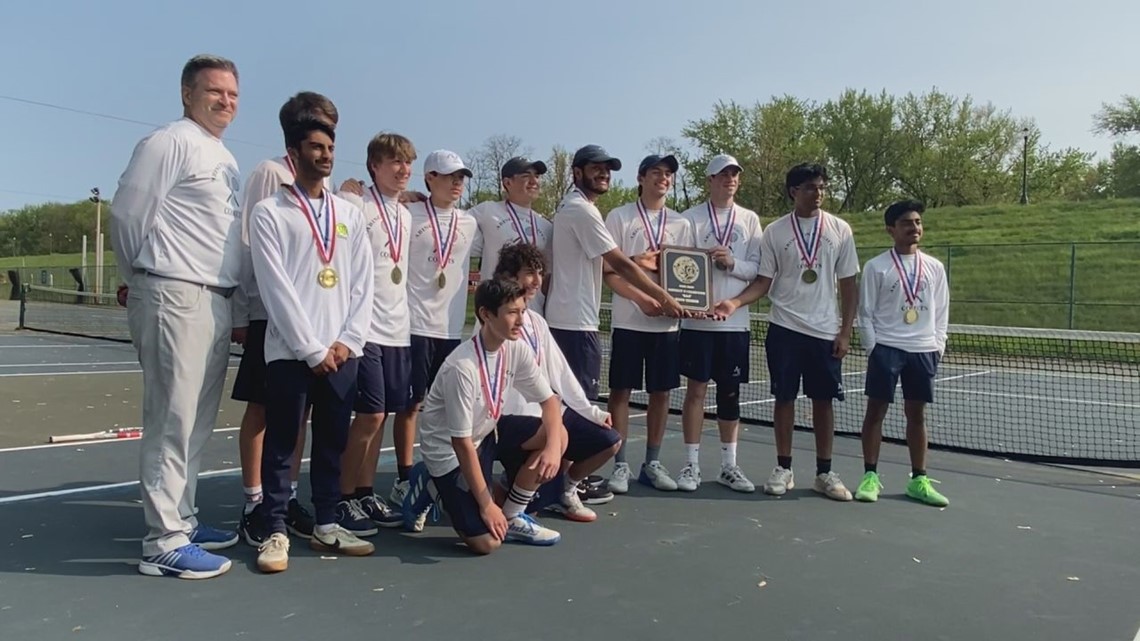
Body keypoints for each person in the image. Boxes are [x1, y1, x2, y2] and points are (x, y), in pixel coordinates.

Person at [111, 54, 243, 579]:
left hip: (212, 299)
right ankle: (162, 541)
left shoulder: (222, 154)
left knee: (195, 423)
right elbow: (127, 214)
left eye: (233, 94)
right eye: (215, 91)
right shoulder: (169, 141)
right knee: (173, 421)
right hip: (173, 293)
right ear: (188, 94)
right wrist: (140, 275)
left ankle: (181, 521)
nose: (225, 101)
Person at [247, 117, 376, 573]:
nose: (325, 154)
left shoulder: (349, 213)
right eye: (315, 146)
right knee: (284, 444)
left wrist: (346, 341)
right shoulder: (269, 212)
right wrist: (311, 349)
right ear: (293, 151)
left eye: (330, 147)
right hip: (290, 352)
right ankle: (275, 530)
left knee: (332, 444)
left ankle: (326, 523)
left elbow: (364, 282)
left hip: (343, 352)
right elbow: (275, 286)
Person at [713, 163, 859, 501]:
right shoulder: (775, 232)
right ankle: (784, 468)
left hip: (824, 332)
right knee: (784, 399)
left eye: (822, 186)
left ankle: (824, 472)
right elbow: (763, 282)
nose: (818, 193)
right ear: (794, 191)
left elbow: (849, 285)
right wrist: (734, 303)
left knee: (823, 403)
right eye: (810, 187)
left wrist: (845, 332)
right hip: (785, 330)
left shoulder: (840, 229)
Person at [233, 92, 340, 545]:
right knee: (265, 410)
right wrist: (244, 308)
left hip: (315, 322)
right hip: (269, 314)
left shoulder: (327, 191)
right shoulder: (268, 173)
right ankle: (255, 500)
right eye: (319, 127)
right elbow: (247, 245)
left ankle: (286, 496)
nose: (327, 140)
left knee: (299, 415)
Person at [402, 279, 567, 554]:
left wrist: (553, 449)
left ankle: (513, 515)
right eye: (512, 312)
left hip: (487, 432)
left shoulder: (515, 349)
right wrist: (487, 505)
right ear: (486, 315)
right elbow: (461, 444)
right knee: (486, 544)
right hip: (450, 452)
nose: (521, 321)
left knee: (558, 433)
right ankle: (432, 483)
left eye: (522, 311)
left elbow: (550, 401)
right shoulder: (461, 367)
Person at [546, 144, 685, 405]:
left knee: (569, 405)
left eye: (607, 169)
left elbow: (598, 261)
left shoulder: (574, 205)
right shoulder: (583, 210)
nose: (604, 173)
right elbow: (619, 265)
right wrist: (664, 298)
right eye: (596, 168)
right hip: (575, 322)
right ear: (577, 172)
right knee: (579, 407)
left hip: (571, 319)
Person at [492, 242, 621, 520]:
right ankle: (515, 507)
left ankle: (566, 490)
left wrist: (591, 411)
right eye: (529, 273)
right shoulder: (495, 322)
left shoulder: (537, 322)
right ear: (509, 276)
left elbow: (561, 373)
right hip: (512, 421)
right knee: (552, 439)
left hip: (546, 413)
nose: (537, 281)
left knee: (610, 439)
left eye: (540, 273)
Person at [390, 150, 479, 531]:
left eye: (461, 177)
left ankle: (435, 480)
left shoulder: (472, 222)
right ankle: (404, 477)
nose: (456, 183)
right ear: (429, 178)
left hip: (451, 329)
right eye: (448, 176)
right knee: (411, 406)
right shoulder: (408, 214)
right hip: (414, 326)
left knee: (447, 410)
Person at [334, 133, 417, 534]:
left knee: (382, 417)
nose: (402, 170)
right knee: (370, 414)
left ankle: (365, 490)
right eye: (394, 162)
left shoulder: (404, 213)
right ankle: (342, 496)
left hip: (398, 330)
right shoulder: (354, 203)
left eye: (407, 163)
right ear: (374, 166)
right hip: (364, 328)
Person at [601, 154, 693, 493]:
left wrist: (680, 304)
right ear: (641, 178)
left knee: (661, 393)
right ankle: (620, 464)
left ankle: (652, 462)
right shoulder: (620, 217)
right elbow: (608, 272)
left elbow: (689, 275)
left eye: (668, 174)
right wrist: (642, 299)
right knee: (621, 392)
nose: (663, 178)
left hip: (666, 327)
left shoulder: (682, 224)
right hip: (628, 322)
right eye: (656, 172)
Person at [676, 154, 763, 493]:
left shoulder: (750, 219)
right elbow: (678, 268)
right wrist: (688, 304)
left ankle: (729, 466)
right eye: (723, 175)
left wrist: (731, 263)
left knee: (730, 394)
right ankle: (691, 466)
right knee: (695, 392)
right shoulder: (689, 219)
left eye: (734, 175)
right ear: (709, 180)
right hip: (698, 324)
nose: (730, 179)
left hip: (735, 324)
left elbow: (757, 269)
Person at [854, 200, 950, 507]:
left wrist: (938, 345)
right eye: (907, 223)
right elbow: (865, 313)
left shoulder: (934, 267)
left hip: (922, 351)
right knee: (875, 413)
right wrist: (874, 349)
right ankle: (870, 476)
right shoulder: (876, 267)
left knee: (917, 416)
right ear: (891, 230)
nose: (915, 228)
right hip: (887, 349)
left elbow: (941, 311)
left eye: (918, 222)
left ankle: (918, 480)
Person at [469, 157, 553, 312]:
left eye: (537, 176)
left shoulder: (546, 225)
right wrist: (412, 199)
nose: (534, 181)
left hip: (533, 313)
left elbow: (548, 275)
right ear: (507, 183)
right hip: (496, 311)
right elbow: (448, 219)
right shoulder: (488, 211)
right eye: (526, 176)